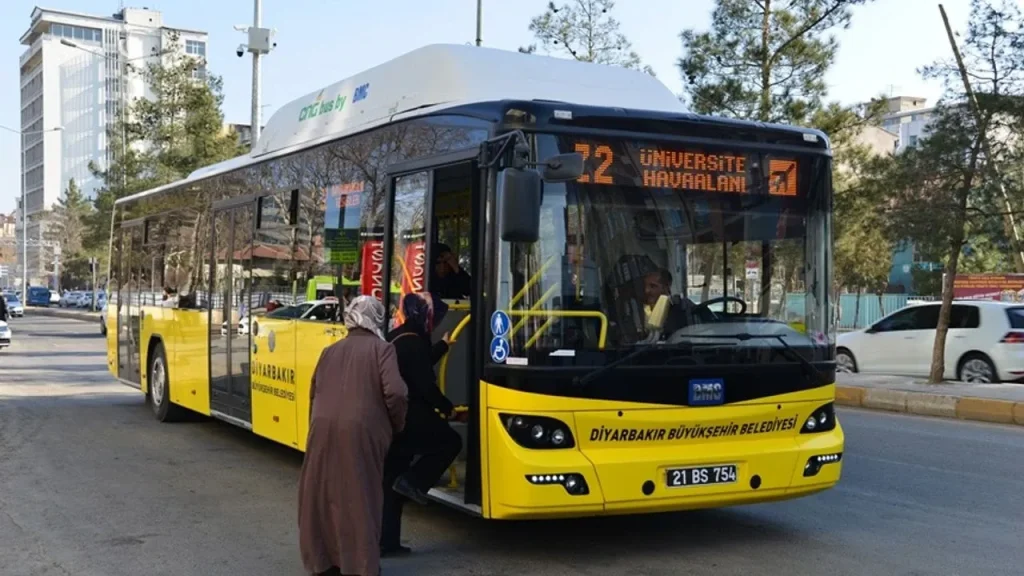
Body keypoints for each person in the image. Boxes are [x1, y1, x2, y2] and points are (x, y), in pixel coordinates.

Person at [297, 295, 409, 576]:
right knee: (361, 495)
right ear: (376, 318)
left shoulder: (330, 351)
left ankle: (323, 561)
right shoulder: (383, 350)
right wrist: (395, 424)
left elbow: (314, 390)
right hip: (362, 431)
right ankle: (359, 565)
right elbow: (396, 392)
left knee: (323, 494)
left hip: (322, 429)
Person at [381, 292, 464, 557]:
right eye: (435, 318)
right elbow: (425, 385)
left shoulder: (397, 337)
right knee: (450, 442)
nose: (436, 323)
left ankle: (387, 542)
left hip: (390, 419)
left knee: (391, 482)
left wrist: (442, 346)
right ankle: (415, 482)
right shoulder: (415, 343)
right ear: (424, 316)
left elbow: (418, 363)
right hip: (412, 416)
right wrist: (448, 409)